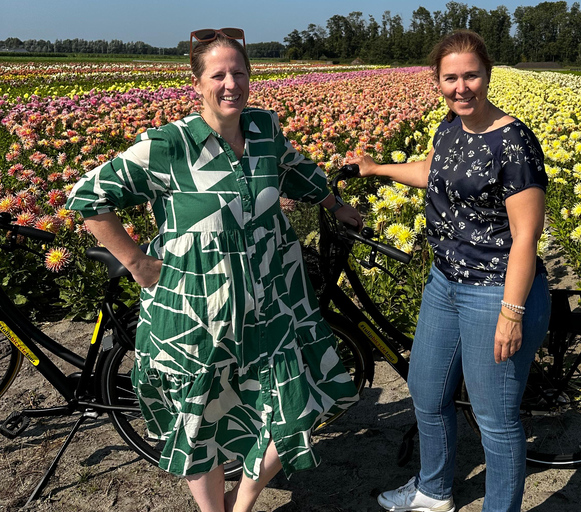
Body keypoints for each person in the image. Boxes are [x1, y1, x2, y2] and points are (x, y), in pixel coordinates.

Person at [65, 28, 361, 512]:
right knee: (199, 419)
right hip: (197, 311)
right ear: (197, 83)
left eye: (239, 72)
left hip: (273, 300)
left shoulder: (264, 130)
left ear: (250, 77)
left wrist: (333, 202)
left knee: (297, 404)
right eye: (218, 74)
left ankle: (241, 502)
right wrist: (137, 262)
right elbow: (89, 197)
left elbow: (292, 167)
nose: (230, 84)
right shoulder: (171, 145)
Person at [349, 30, 551, 512]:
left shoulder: (514, 141)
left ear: (488, 75)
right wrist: (378, 169)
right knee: (426, 389)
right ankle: (433, 490)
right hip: (445, 283)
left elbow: (526, 235)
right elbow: (434, 171)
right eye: (450, 78)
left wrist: (511, 312)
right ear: (438, 81)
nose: (461, 87)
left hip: (496, 291)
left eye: (471, 76)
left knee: (495, 417)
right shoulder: (450, 127)